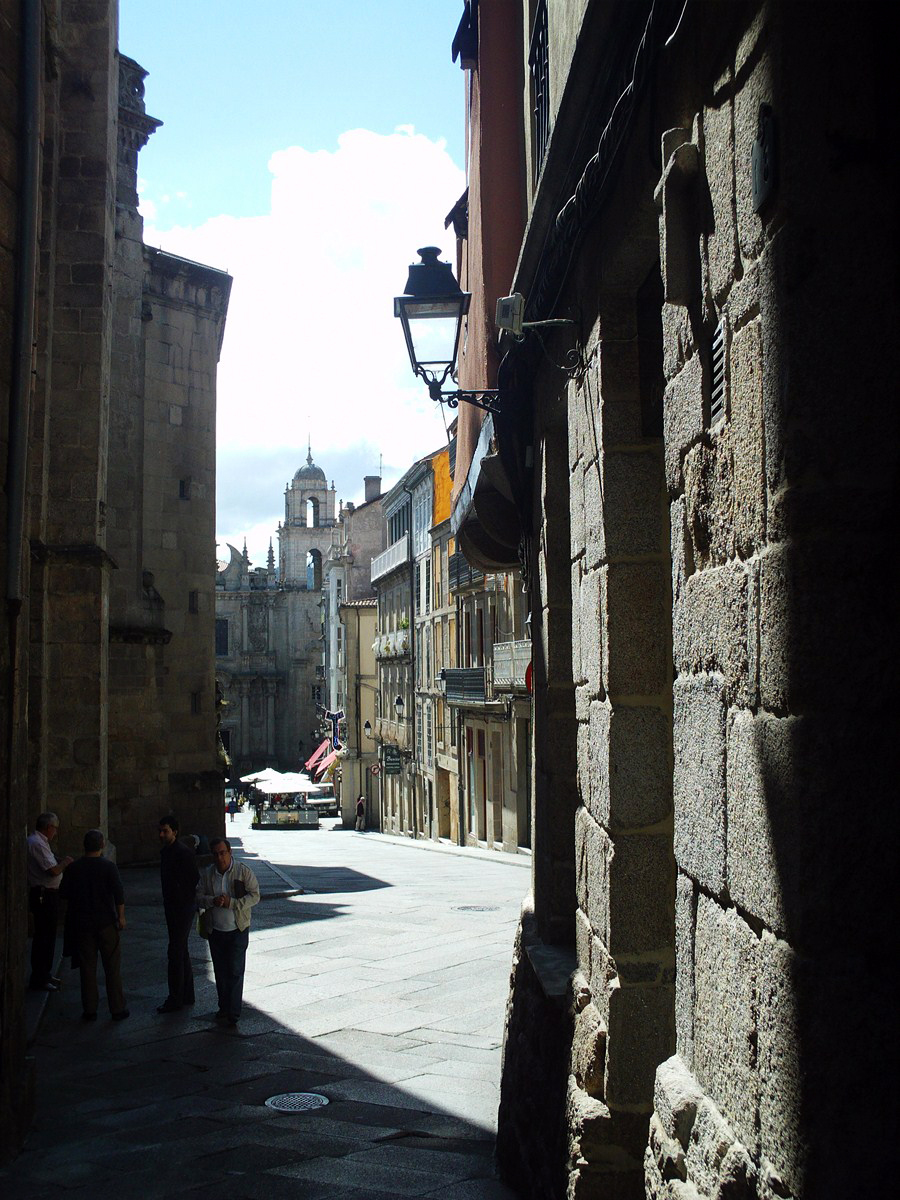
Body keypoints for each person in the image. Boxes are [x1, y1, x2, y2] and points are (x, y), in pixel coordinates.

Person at [59, 830, 128, 1022]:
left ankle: (89, 1009)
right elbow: (118, 893)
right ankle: (117, 1008)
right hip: (105, 922)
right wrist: (121, 917)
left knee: (87, 968)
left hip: (82, 924)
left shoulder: (74, 868)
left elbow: (64, 894)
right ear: (102, 845)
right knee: (112, 966)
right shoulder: (108, 867)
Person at [197, 838, 259, 1028]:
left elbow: (255, 895)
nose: (219, 857)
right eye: (215, 854)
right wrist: (211, 900)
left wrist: (231, 903)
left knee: (235, 970)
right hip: (215, 929)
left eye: (222, 853)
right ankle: (223, 1006)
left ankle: (234, 1011)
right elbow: (198, 896)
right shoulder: (208, 874)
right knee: (220, 971)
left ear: (230, 852)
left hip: (237, 929)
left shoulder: (242, 871)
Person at [156, 815, 199, 1014]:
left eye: (165, 831)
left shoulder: (183, 852)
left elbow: (193, 879)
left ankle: (175, 998)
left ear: (175, 831)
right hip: (173, 906)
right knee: (181, 950)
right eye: (161, 831)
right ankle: (187, 994)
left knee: (175, 951)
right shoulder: (167, 851)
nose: (161, 834)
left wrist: (182, 897)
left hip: (182, 907)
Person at [26, 812, 73, 991]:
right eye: (55, 828)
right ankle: (39, 977)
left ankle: (45, 974)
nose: (56, 832)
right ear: (48, 828)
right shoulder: (36, 843)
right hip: (43, 896)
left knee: (48, 936)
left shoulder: (41, 842)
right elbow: (52, 870)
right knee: (43, 937)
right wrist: (65, 863)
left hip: (48, 895)